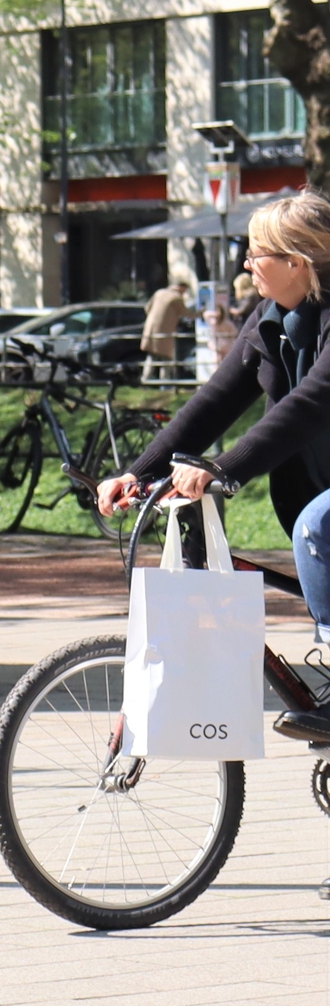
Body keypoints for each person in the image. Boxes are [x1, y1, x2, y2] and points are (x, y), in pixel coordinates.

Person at [99, 190, 330, 738]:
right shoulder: (271, 318)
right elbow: (214, 401)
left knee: (318, 526)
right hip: (315, 487)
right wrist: (140, 472)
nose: (246, 266)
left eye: (256, 254)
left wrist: (224, 468)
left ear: (297, 261)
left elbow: (310, 404)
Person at [140, 272, 192, 379]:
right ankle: (165, 382)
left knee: (152, 356)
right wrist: (202, 313)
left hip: (150, 330)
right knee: (166, 358)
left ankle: (145, 380)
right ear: (182, 288)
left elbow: (147, 308)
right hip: (165, 331)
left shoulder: (159, 293)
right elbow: (187, 314)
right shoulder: (176, 298)